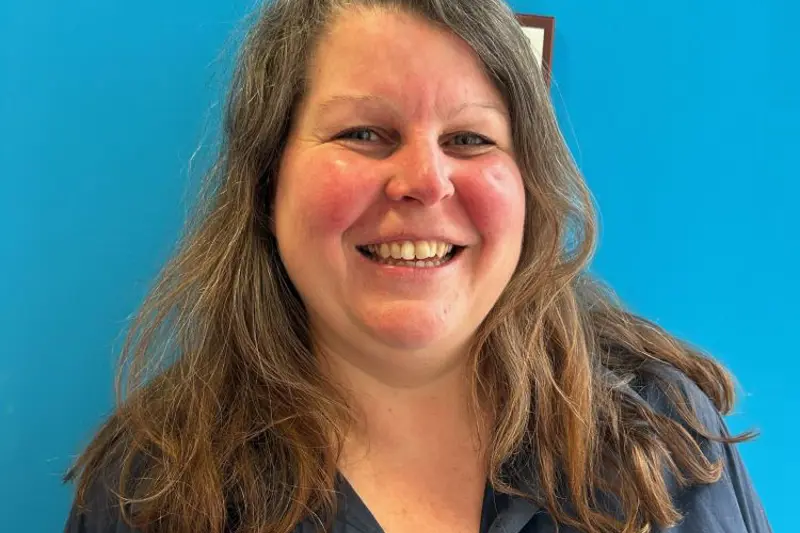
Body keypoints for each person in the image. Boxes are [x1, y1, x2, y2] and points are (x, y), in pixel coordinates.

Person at [63, 0, 772, 532]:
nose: (426, 182)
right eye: (364, 133)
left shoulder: (664, 435)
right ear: (268, 181)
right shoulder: (149, 488)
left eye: (469, 138)